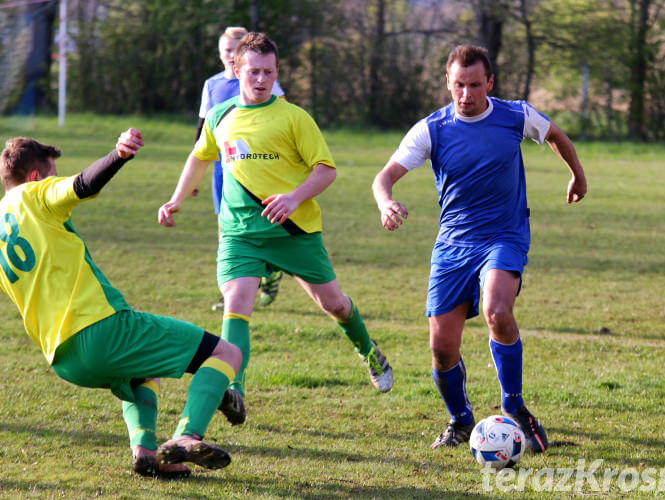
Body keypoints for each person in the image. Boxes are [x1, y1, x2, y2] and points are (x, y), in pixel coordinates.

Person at [158, 32, 394, 425]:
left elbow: (326, 170)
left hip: (294, 231)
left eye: (268, 72)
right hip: (241, 233)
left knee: (333, 304)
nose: (261, 79)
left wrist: (293, 197)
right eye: (253, 72)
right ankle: (235, 389)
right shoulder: (220, 115)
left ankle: (368, 350)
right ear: (236, 70)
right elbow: (199, 156)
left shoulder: (293, 117)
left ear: (277, 72)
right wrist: (177, 198)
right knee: (236, 304)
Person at [372, 44, 587, 451]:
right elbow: (383, 177)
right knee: (441, 347)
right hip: (453, 244)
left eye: (474, 85)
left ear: (489, 82)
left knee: (497, 310)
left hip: (504, 236)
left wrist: (578, 176)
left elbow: (556, 134)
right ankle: (460, 421)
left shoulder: (514, 115)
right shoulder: (431, 129)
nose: (466, 94)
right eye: (458, 85)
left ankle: (515, 409)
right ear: (447, 83)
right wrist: (386, 202)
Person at [0, 130, 243, 479]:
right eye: (53, 174)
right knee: (226, 354)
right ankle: (187, 436)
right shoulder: (34, 193)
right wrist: (119, 155)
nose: (56, 180)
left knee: (140, 372)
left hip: (63, 359)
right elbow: (82, 184)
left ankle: (145, 452)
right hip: (101, 329)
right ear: (36, 176)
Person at [196, 26, 286, 311]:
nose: (228, 57)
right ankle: (231, 295)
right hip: (223, 169)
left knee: (260, 228)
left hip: (257, 168)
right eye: (224, 51)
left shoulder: (259, 77)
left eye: (232, 52)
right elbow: (202, 130)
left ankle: (270, 272)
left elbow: (281, 115)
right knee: (226, 231)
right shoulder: (212, 85)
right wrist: (194, 172)